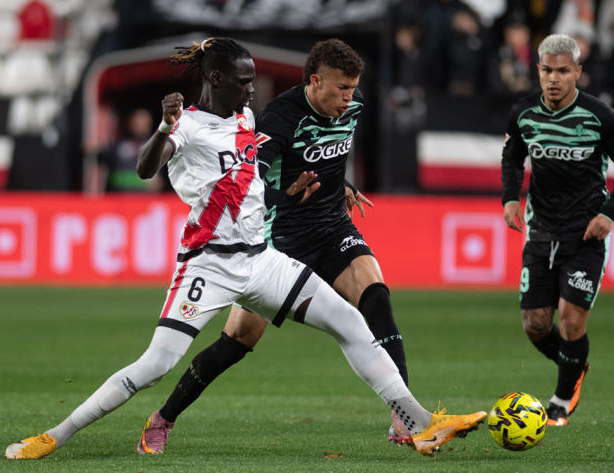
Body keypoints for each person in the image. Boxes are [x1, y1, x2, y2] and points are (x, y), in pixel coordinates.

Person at [4, 37, 486, 460]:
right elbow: (147, 169)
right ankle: (55, 435)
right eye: (244, 80)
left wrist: (298, 192)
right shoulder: (187, 126)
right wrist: (164, 128)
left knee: (351, 321)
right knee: (154, 366)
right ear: (216, 79)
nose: (253, 89)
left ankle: (420, 424)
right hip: (208, 266)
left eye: (253, 80)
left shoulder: (245, 117)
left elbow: (251, 181)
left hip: (261, 258)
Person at [137, 39, 420, 456]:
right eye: (342, 88)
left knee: (375, 295)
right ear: (315, 81)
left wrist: (338, 183)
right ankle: (163, 418)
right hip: (279, 237)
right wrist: (286, 196)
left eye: (353, 87)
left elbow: (323, 154)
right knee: (238, 340)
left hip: (331, 226)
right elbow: (250, 180)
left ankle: (405, 420)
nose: (350, 96)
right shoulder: (279, 117)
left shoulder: (353, 106)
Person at [501, 34, 614, 426]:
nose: (554, 78)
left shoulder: (601, 116)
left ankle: (562, 399)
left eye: (563, 71)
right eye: (547, 70)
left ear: (578, 72)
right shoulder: (523, 113)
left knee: (570, 319)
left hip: (585, 236)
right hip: (540, 233)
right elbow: (512, 157)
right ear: (538, 70)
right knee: (535, 326)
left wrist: (609, 214)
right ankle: (575, 361)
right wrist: (510, 198)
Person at [99, 108, 165, 192]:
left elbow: (160, 181)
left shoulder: (157, 147)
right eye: (137, 122)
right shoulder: (117, 146)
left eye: (144, 122)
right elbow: (99, 157)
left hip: (145, 197)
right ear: (130, 123)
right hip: (119, 196)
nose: (140, 125)